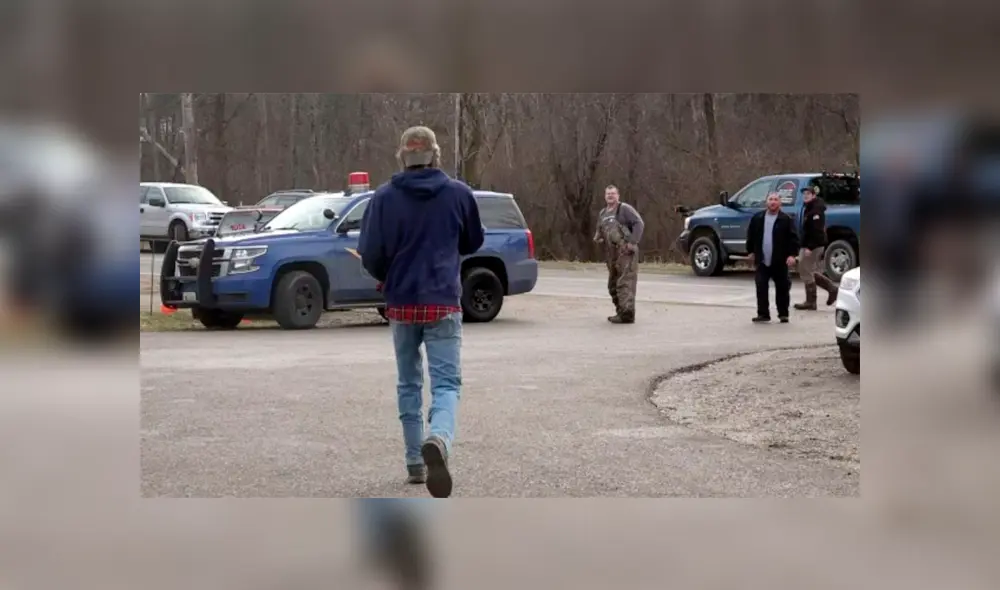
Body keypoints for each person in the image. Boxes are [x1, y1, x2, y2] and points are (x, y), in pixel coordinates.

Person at [359, 126, 484, 498]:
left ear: (403, 156)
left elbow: (370, 254)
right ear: (435, 155)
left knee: (408, 382)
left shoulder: (382, 199)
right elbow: (474, 240)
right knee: (446, 383)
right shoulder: (459, 194)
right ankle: (439, 439)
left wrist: (389, 275)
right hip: (443, 300)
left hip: (401, 302)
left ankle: (415, 462)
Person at [592, 185, 645, 324]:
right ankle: (620, 311)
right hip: (612, 254)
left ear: (618, 196)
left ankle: (627, 315)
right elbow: (600, 229)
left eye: (613, 193)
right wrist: (598, 237)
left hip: (626, 252)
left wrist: (632, 242)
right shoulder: (603, 213)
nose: (610, 196)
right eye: (608, 194)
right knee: (613, 285)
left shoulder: (624, 209)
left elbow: (639, 224)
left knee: (625, 283)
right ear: (604, 196)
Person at [746, 192, 800, 323]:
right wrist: (751, 252)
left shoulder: (786, 219)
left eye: (776, 200)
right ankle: (763, 314)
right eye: (770, 199)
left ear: (780, 203)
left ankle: (783, 314)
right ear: (766, 202)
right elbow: (751, 236)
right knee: (761, 286)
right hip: (762, 260)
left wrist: (792, 255)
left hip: (780, 260)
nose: (773, 202)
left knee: (782, 288)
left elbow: (794, 239)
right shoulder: (758, 218)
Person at [794, 185, 839, 309]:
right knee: (809, 271)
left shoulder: (816, 211)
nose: (806, 195)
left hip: (813, 246)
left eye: (808, 193)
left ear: (814, 195)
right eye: (804, 194)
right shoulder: (809, 208)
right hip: (808, 244)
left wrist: (810, 247)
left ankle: (811, 302)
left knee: (805, 271)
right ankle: (832, 289)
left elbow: (817, 231)